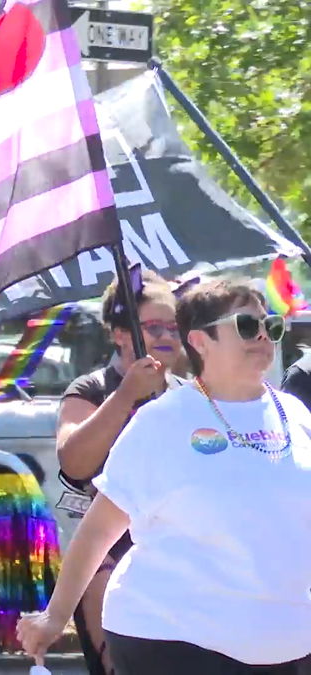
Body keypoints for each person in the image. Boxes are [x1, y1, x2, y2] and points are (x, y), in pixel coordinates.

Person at [18, 278, 311, 673]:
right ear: (201, 341)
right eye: (245, 325)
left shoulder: (295, 413)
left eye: (271, 325)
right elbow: (99, 528)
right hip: (173, 637)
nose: (263, 335)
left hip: (282, 641)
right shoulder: (163, 419)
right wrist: (55, 616)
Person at [53, 270, 183, 675]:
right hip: (107, 555)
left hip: (174, 555)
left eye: (175, 327)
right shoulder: (90, 389)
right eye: (154, 326)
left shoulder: (188, 396)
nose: (167, 336)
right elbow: (73, 462)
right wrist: (125, 395)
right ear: (120, 334)